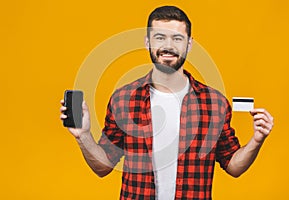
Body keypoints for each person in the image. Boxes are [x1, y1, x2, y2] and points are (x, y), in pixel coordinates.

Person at [60, 6, 274, 200]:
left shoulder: (215, 104)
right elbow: (103, 167)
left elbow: (233, 165)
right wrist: (84, 136)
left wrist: (256, 140)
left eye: (177, 39)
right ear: (148, 42)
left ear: (189, 44)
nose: (168, 46)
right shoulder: (123, 99)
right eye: (160, 37)